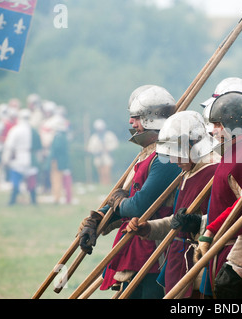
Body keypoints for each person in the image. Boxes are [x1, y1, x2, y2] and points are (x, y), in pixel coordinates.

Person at [78, 85, 181, 299]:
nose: (131, 123)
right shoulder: (149, 153)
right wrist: (97, 219)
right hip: (136, 246)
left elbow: (138, 205)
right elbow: (124, 196)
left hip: (156, 250)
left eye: (136, 117)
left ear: (152, 118)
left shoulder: (166, 157)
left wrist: (119, 203)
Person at [126, 110, 221, 298]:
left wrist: (198, 223)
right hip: (179, 263)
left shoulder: (214, 171)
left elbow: (226, 218)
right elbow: (178, 220)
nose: (173, 160)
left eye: (177, 153)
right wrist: (149, 228)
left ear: (192, 146)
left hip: (201, 261)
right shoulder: (188, 171)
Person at [195, 90, 242, 298]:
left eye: (218, 124)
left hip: (237, 241)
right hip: (223, 239)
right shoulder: (235, 148)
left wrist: (212, 231)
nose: (213, 131)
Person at [1, 109, 42, 205]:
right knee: (31, 180)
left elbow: (9, 146)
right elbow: (39, 147)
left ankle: (12, 200)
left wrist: (5, 159)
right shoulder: (34, 131)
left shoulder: (15, 130)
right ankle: (33, 200)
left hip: (18, 157)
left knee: (16, 178)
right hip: (30, 158)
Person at [47, 114, 72, 204]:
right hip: (61, 161)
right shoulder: (64, 136)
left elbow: (55, 149)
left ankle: (56, 197)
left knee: (56, 179)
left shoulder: (58, 136)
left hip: (57, 161)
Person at [86, 119, 119, 185]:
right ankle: (103, 184)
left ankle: (108, 184)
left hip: (107, 156)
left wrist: (108, 148)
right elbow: (90, 148)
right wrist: (95, 151)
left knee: (107, 172)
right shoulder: (94, 137)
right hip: (98, 157)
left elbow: (115, 144)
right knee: (101, 173)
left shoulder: (109, 135)